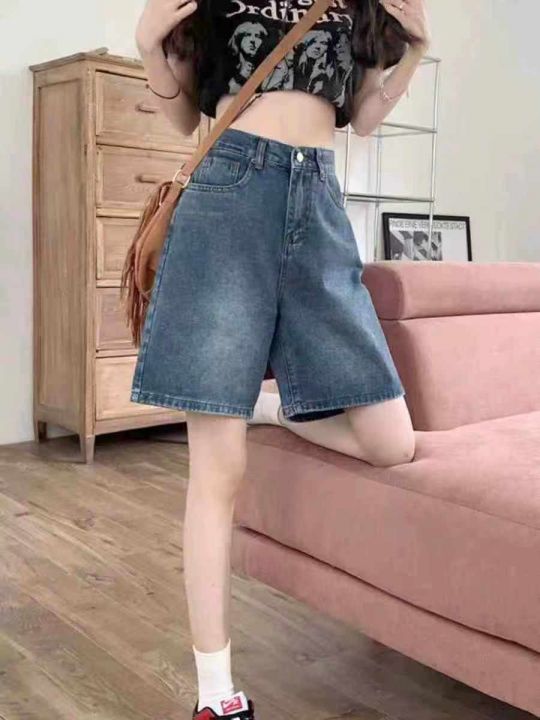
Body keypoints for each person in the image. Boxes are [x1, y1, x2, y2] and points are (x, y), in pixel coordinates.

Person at [132, 0, 431, 717]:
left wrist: (415, 52)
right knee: (219, 468)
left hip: (320, 200)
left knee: (391, 441)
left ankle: (265, 405)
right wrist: (147, 46)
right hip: (228, 196)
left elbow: (363, 118)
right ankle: (216, 694)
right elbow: (183, 118)